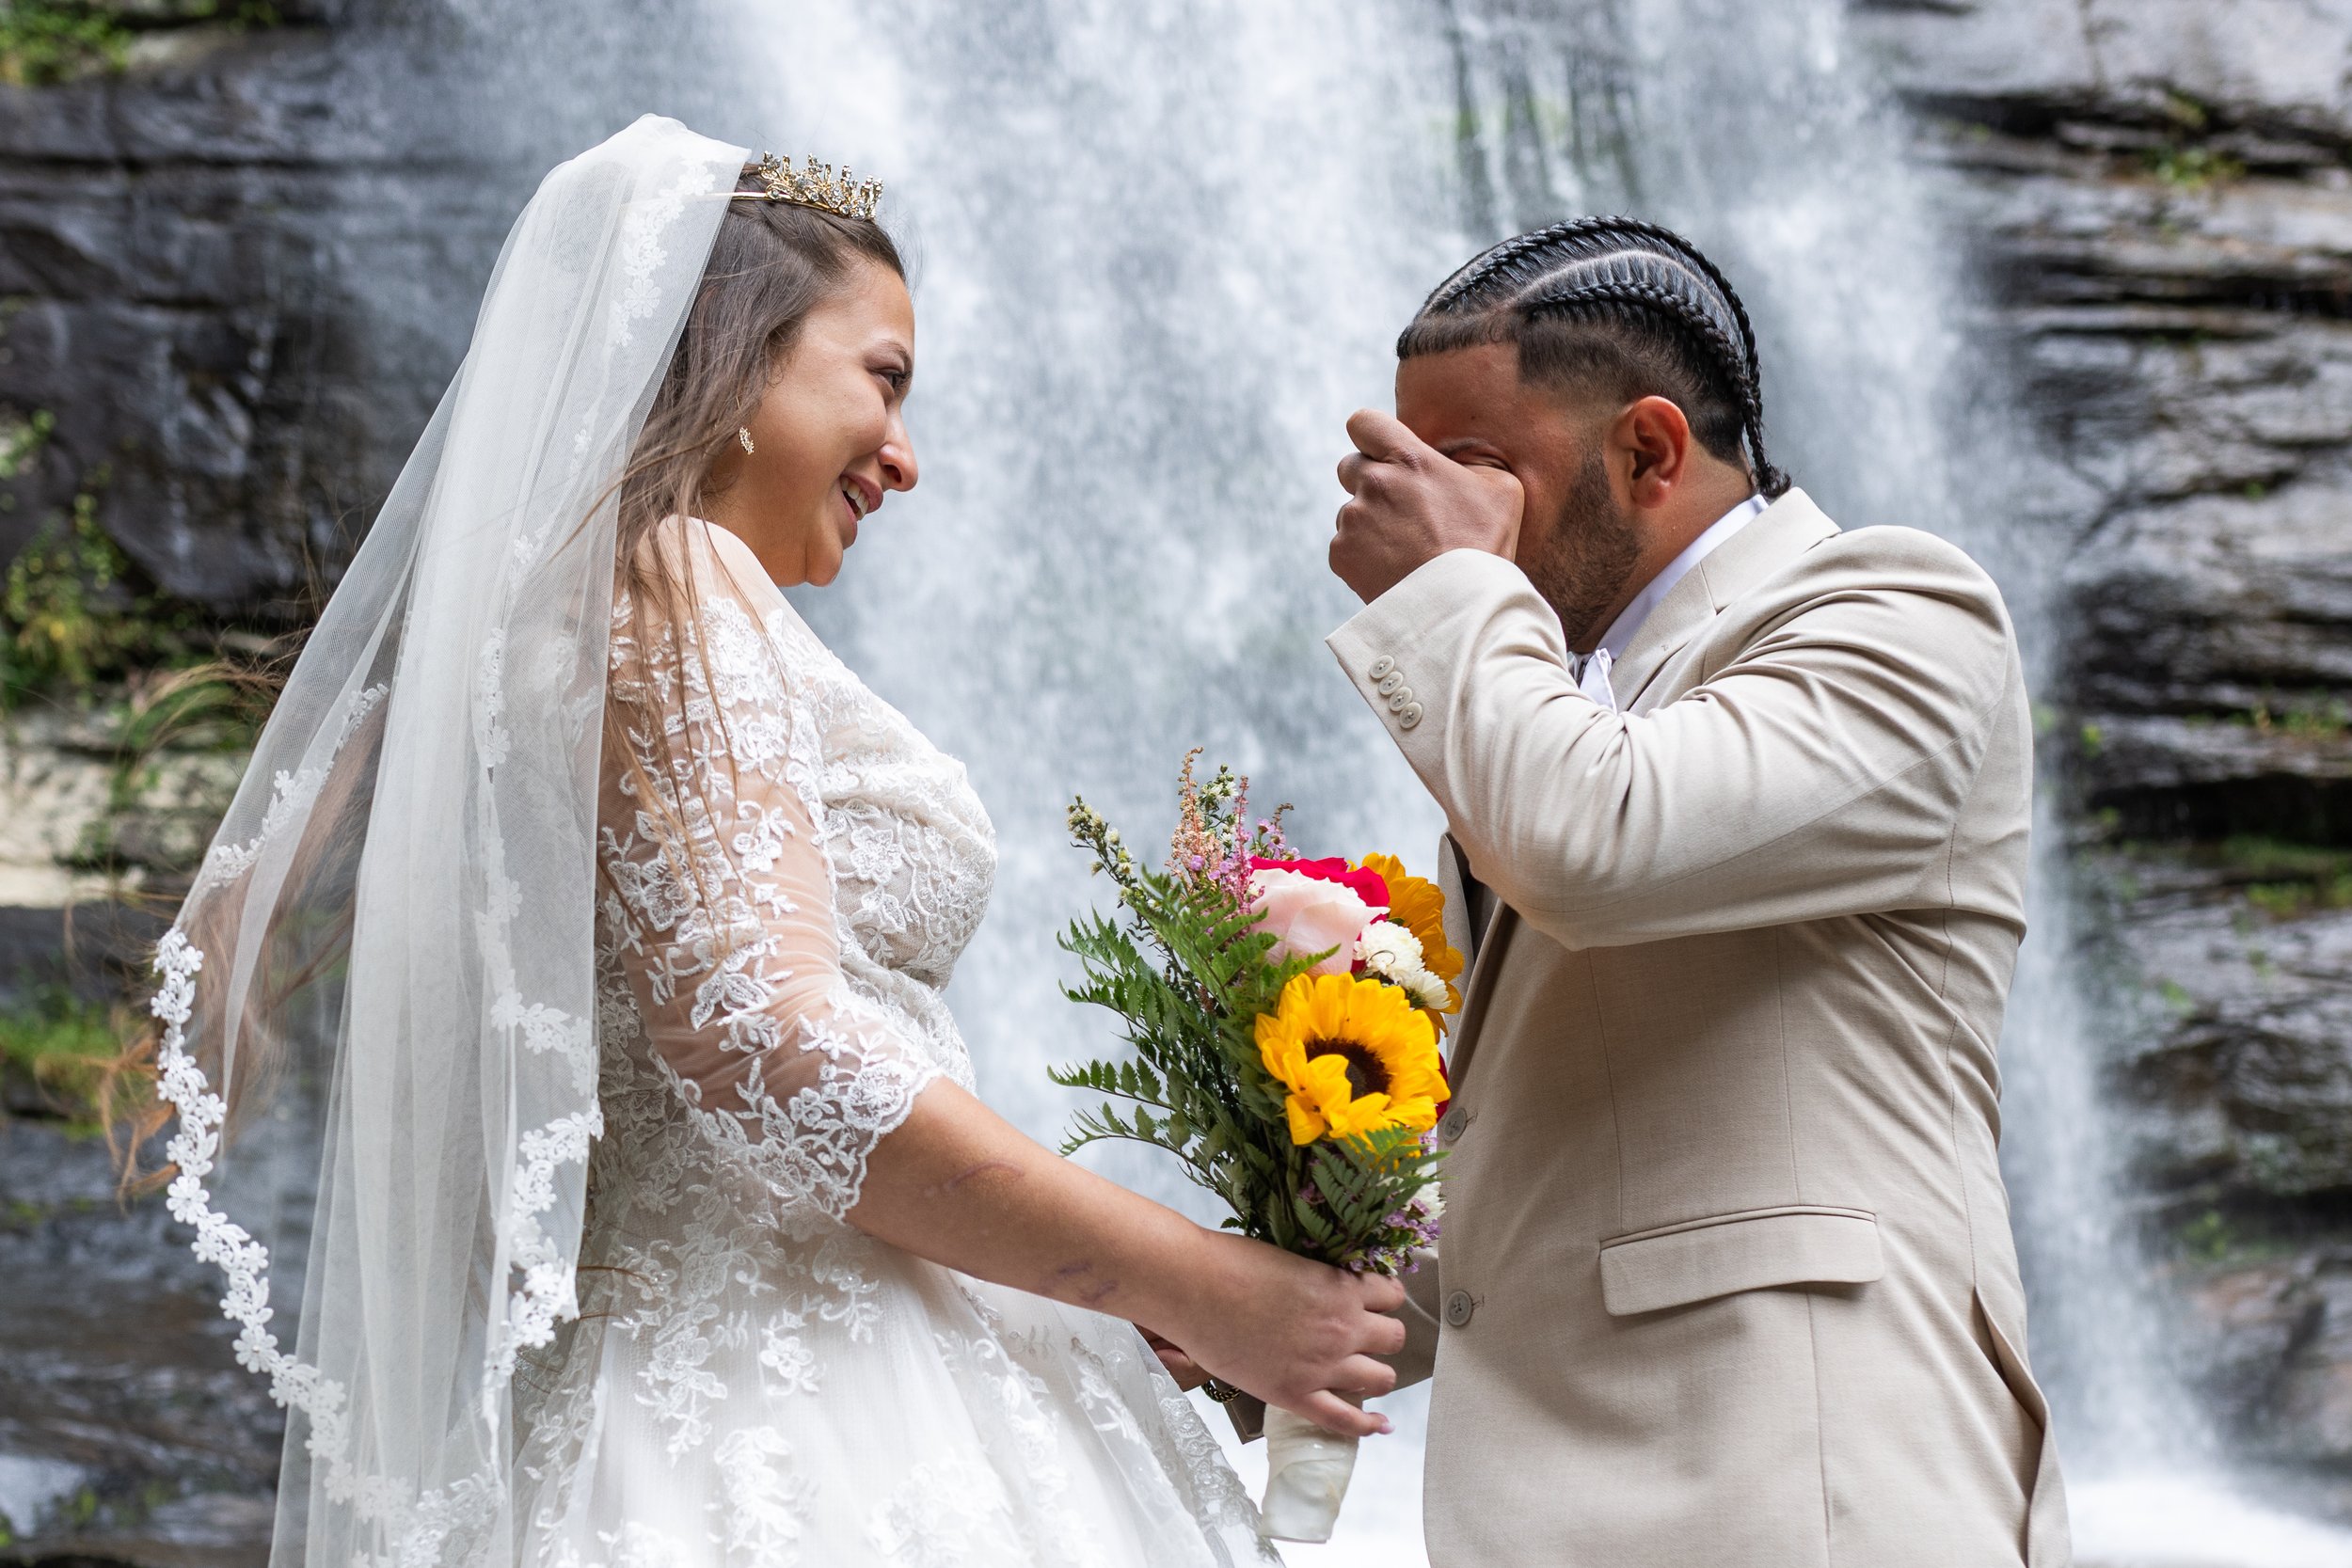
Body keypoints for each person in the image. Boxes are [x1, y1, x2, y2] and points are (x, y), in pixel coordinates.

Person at [139, 116, 1402, 1568]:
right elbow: (764, 1035)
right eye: (884, 379)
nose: (908, 459)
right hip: (803, 1408)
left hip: (680, 1391)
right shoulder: (680, 580)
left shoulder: (550, 628)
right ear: (733, 361)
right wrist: (1192, 1281)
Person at [1319, 218, 2069, 1566]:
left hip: (1806, 1505)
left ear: (1652, 452)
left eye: (1476, 471)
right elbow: (1549, 1179)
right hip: (1576, 1504)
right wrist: (1241, 1306)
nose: (1435, 515)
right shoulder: (1546, 712)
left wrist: (1449, 587)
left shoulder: (1900, 613)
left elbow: (1586, 844)